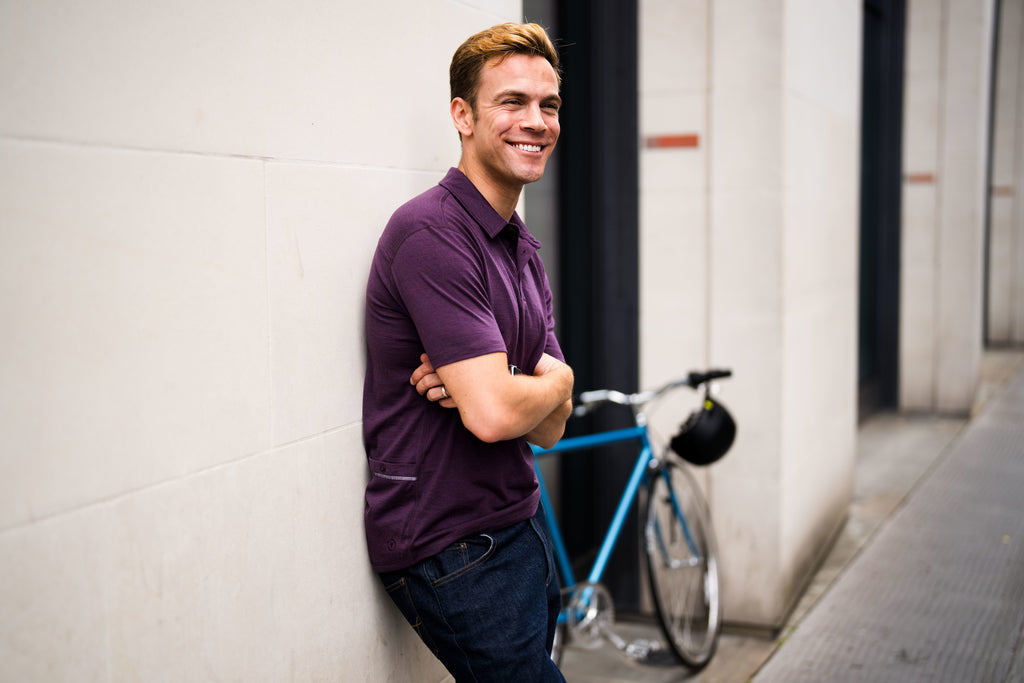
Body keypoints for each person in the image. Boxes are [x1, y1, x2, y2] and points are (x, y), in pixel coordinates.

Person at [362, 21, 573, 682]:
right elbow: (491, 415)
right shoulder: (432, 233)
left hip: (520, 523)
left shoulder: (519, 247)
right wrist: (538, 382)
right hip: (454, 546)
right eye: (512, 102)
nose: (536, 121)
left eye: (549, 104)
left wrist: (536, 386)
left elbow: (550, 425)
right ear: (462, 115)